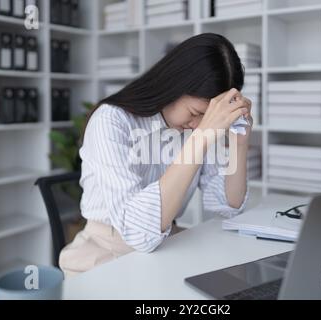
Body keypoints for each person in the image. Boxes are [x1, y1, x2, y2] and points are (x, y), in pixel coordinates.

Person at [59, 33, 253, 277]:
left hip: (167, 243)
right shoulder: (111, 121)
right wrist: (202, 137)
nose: (197, 125)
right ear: (173, 84)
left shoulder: (196, 126)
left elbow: (227, 205)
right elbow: (138, 233)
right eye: (195, 112)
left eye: (207, 118)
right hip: (106, 250)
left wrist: (240, 142)